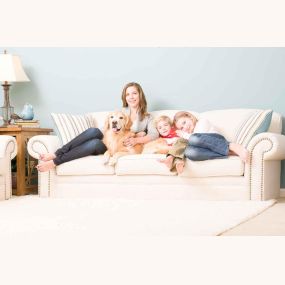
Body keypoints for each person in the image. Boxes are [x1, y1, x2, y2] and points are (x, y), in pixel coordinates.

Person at [37, 82, 158, 172]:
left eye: (134, 93)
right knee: (94, 131)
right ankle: (57, 153)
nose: (131, 97)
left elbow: (154, 134)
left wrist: (136, 139)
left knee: (94, 144)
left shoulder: (147, 117)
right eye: (128, 94)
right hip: (109, 143)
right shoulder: (119, 112)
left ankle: (55, 161)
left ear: (140, 95)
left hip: (120, 147)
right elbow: (105, 128)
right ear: (125, 97)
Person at [160, 111, 249, 174]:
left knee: (194, 139)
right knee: (190, 152)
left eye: (184, 122)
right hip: (206, 148)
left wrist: (184, 135)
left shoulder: (202, 122)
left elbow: (199, 138)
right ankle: (229, 152)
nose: (185, 127)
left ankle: (232, 146)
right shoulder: (189, 135)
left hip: (217, 140)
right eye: (182, 128)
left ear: (190, 117)